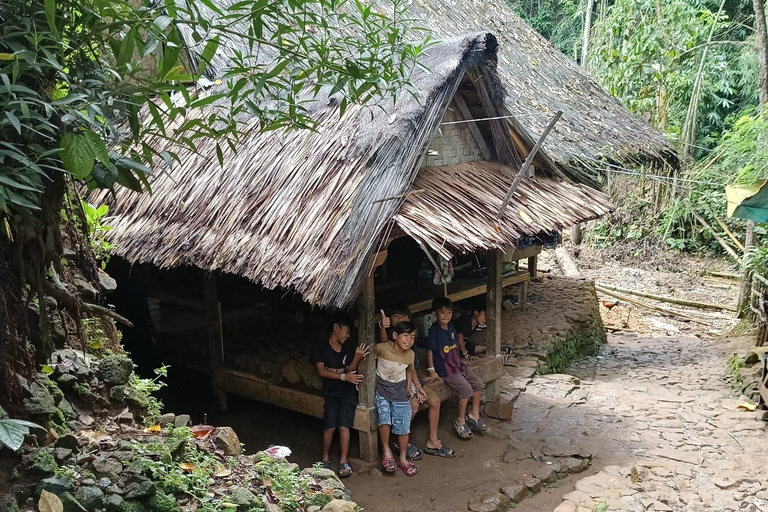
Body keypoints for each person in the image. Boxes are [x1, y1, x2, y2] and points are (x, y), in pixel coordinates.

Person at [378, 306, 455, 459]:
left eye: (403, 316)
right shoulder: (387, 340)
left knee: (435, 400)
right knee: (413, 405)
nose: (400, 319)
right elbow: (383, 342)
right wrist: (382, 326)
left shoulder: (410, 340)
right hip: (394, 383)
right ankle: (398, 439)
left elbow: (410, 368)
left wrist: (418, 387)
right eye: (396, 316)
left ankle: (432, 441)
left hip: (411, 378)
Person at [311, 312, 369, 477]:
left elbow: (350, 370)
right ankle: (325, 459)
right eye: (346, 330)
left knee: (344, 426)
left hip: (346, 392)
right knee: (329, 426)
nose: (348, 335)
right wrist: (343, 377)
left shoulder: (348, 346)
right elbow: (321, 371)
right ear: (336, 327)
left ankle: (343, 461)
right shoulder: (321, 347)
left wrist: (357, 358)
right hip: (330, 392)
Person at [427, 297, 486, 439]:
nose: (446, 316)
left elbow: (455, 345)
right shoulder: (434, 330)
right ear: (434, 314)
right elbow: (430, 351)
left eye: (449, 312)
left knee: (478, 384)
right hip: (445, 369)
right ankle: (460, 421)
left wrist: (465, 356)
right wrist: (432, 370)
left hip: (457, 365)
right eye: (442, 313)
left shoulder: (451, 327)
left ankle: (474, 414)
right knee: (466, 389)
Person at [374, 321, 424, 476]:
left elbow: (409, 370)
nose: (409, 340)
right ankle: (387, 452)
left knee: (403, 426)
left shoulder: (410, 354)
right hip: (381, 390)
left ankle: (403, 458)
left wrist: (409, 387)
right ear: (395, 335)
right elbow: (368, 361)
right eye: (406, 335)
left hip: (400, 392)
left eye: (413, 337)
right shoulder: (382, 349)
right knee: (384, 418)